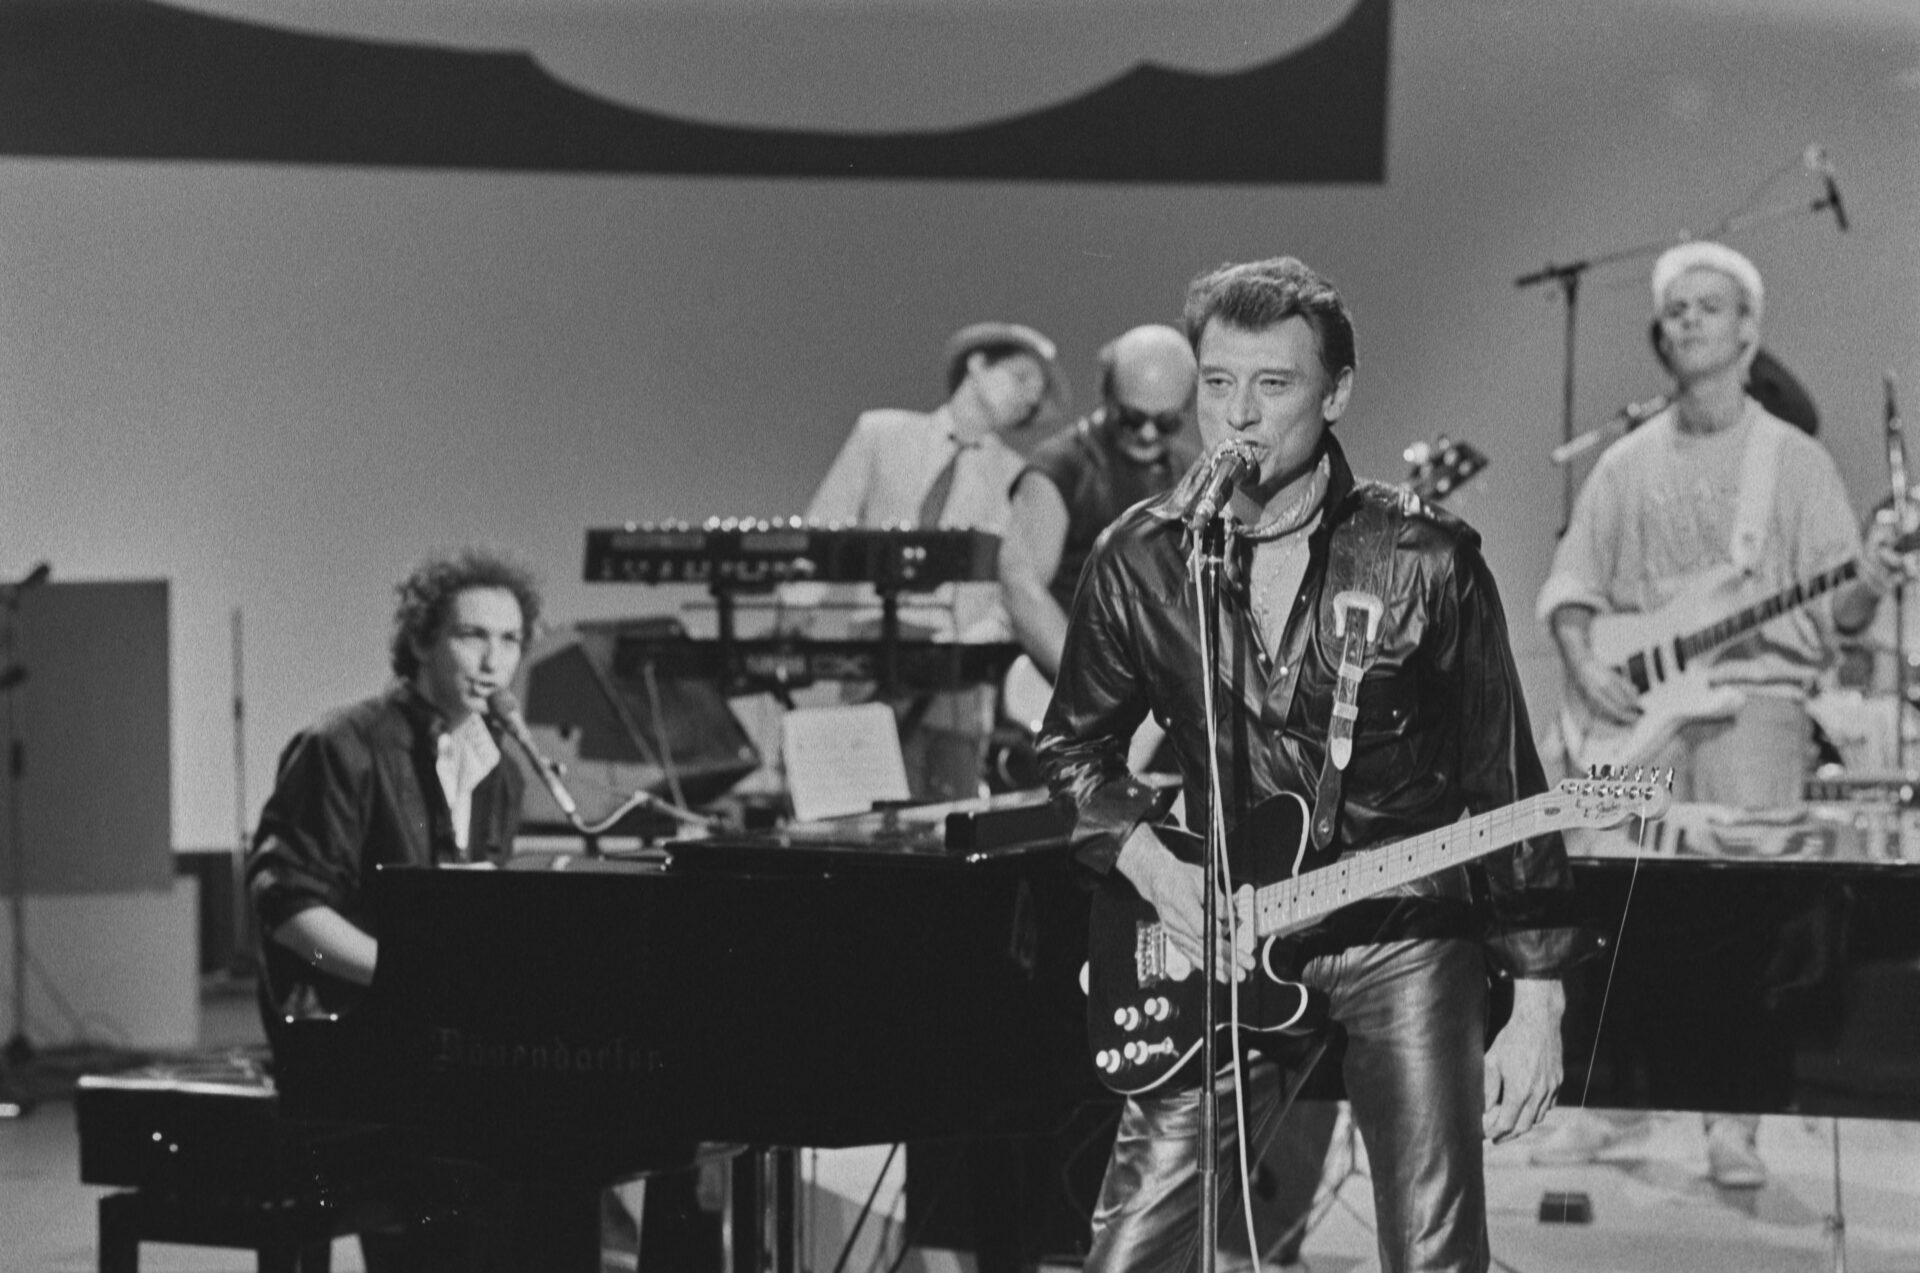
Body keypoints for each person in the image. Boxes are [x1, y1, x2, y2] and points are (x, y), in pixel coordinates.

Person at [1039, 256, 1579, 1272]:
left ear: (1334, 395)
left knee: (1430, 1245)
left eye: (1273, 385)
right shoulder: (1143, 556)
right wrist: (1162, 875)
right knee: (1129, 1254)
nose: (1237, 416)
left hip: (1402, 929)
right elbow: (1073, 753)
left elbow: (1502, 776)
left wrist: (1538, 994)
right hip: (1223, 926)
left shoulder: (1427, 558)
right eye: (1217, 384)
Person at [1535, 241, 1901, 1187]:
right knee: (1623, 911)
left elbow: (1840, 614)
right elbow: (1572, 590)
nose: (1689, 320)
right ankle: (1602, 1103)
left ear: (1750, 330)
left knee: (1746, 927)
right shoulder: (1625, 463)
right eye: (1678, 309)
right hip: (1642, 726)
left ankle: (1733, 1119)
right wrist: (1587, 664)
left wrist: (1866, 583)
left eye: (1710, 306)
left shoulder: (1795, 461)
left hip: (1755, 715)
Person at [1000, 323, 1333, 1271]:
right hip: (1075, 712)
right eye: (1134, 419)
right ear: (1107, 400)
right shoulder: (1059, 465)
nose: (1151, 439)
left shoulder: (1203, 477)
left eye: (1165, 419)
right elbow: (1021, 582)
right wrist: (1104, 684)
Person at [248, 547, 540, 1270]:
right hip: (342, 1035)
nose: (493, 660)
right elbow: (289, 917)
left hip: (437, 1035)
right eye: (473, 635)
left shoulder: (497, 762)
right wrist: (406, 980)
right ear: (419, 641)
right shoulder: (340, 744)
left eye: (509, 641)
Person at [806, 320, 1067, 801]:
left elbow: (1017, 582)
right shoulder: (880, 433)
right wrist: (791, 619)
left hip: (956, 672)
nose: (1029, 397)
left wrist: (968, 643)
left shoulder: (1020, 477)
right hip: (871, 652)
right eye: (1021, 377)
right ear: (977, 364)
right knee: (855, 806)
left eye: (1037, 393)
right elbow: (822, 532)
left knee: (945, 809)